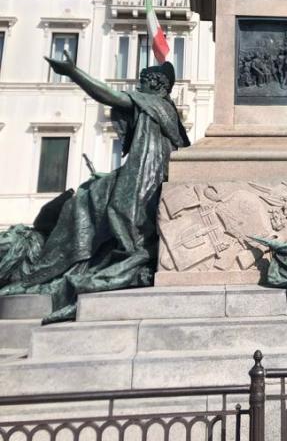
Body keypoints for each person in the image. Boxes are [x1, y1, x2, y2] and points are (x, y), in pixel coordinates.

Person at [0, 54, 189, 322]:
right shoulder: (163, 110)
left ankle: (57, 267)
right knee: (89, 195)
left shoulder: (154, 104)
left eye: (144, 81)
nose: (138, 87)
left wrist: (73, 72)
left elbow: (111, 96)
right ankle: (61, 265)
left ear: (157, 85)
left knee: (95, 206)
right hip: (144, 172)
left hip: (145, 177)